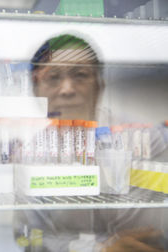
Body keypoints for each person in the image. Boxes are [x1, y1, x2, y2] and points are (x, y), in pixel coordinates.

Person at [13, 34, 168, 252]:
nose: (67, 89)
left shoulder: (145, 139)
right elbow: (28, 236)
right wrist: (100, 249)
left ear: (99, 85)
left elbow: (156, 229)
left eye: (80, 75)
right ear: (36, 91)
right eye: (53, 77)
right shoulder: (31, 155)